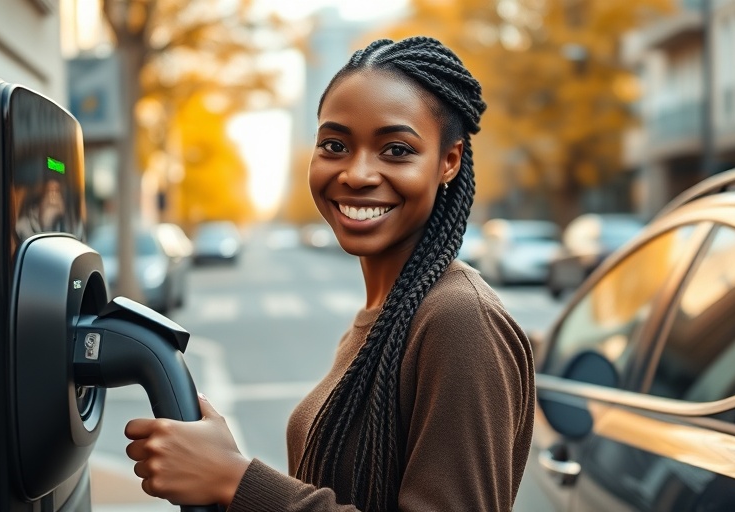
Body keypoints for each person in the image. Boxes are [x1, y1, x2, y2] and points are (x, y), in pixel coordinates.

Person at [123, 36, 536, 512]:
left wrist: (236, 481)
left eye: (396, 150)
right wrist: (224, 464)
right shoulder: (389, 316)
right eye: (335, 145)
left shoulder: (461, 320)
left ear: (449, 162)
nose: (357, 174)